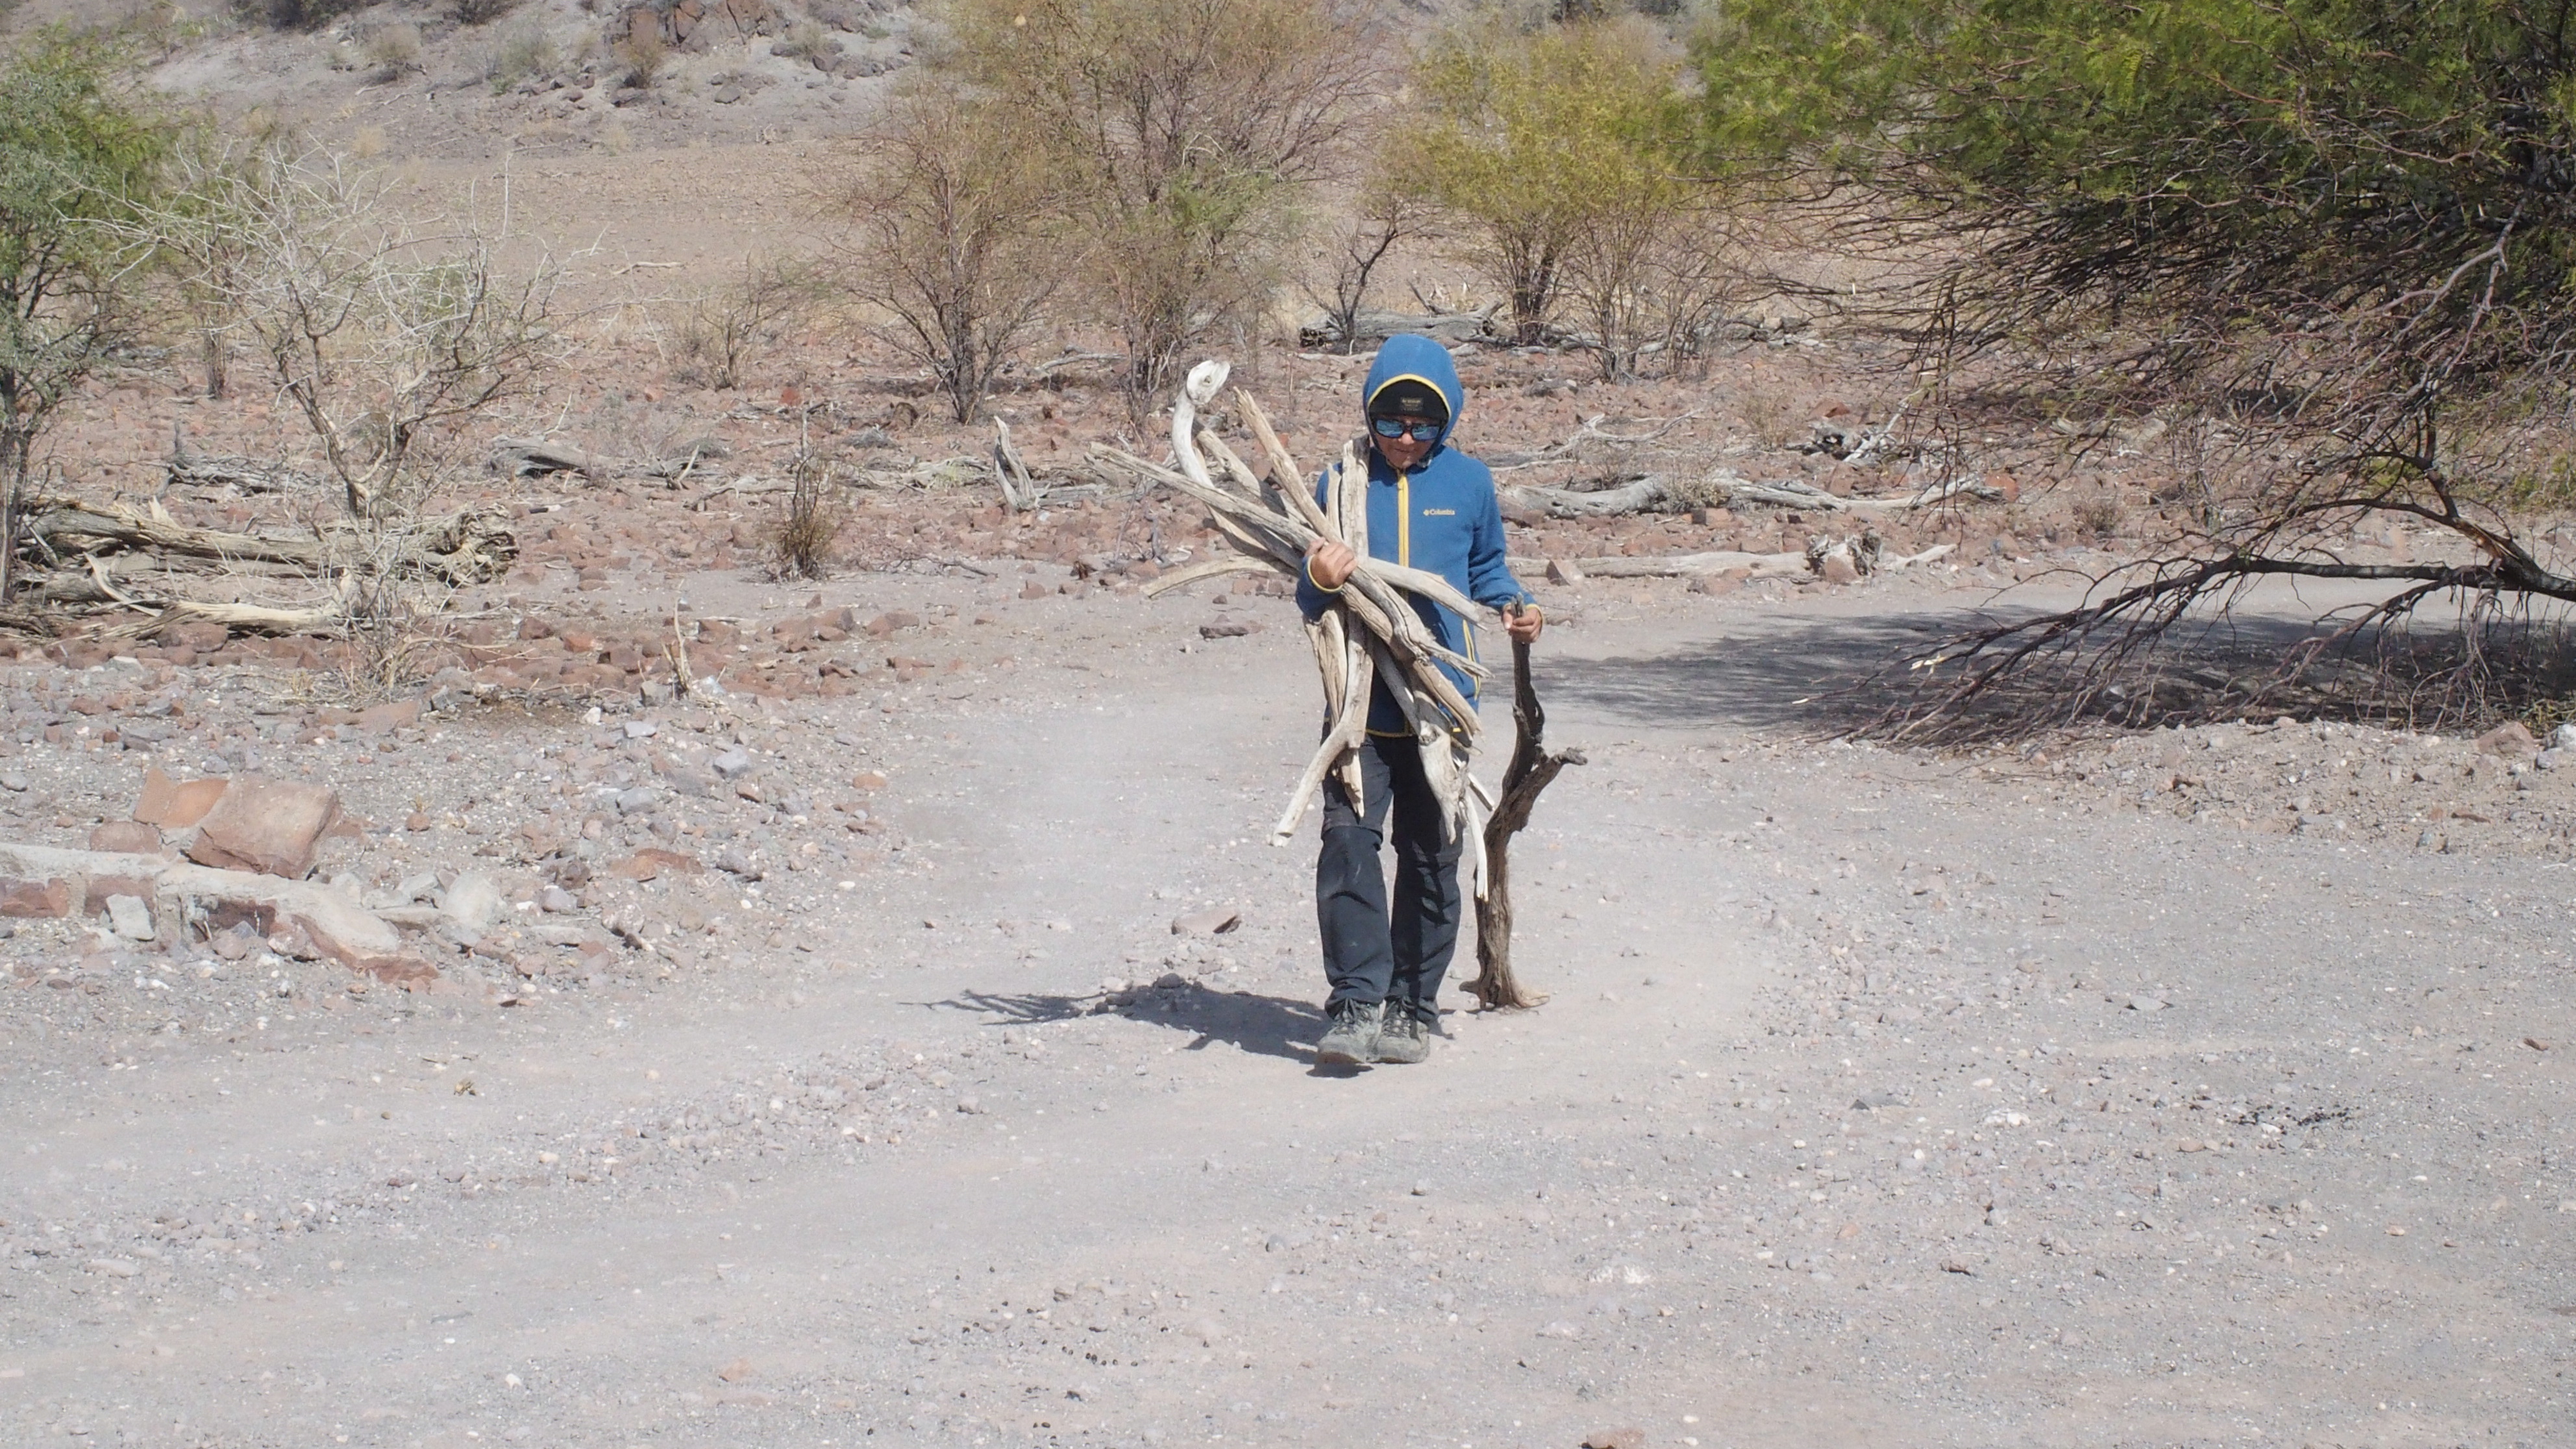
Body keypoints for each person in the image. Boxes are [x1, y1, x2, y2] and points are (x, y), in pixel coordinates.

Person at [1296, 333, 1542, 1066]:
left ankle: (1411, 1004)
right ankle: (1355, 1002)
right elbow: (1306, 595)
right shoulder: (1335, 483)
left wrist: (1517, 606)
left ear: (1448, 420)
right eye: (1391, 422)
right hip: (1361, 705)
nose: (1405, 439)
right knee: (1347, 846)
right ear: (1368, 414)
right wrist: (1322, 572)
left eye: (1423, 424)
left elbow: (1487, 568)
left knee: (1432, 853)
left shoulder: (1468, 484)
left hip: (1442, 705)